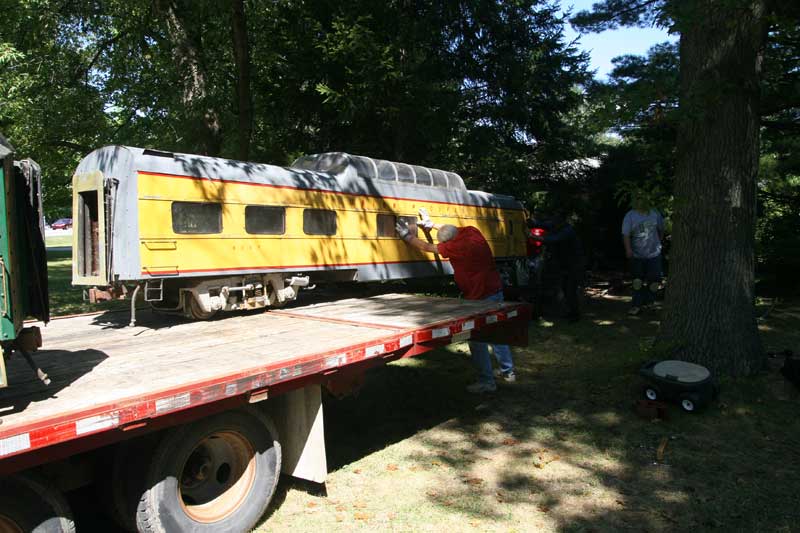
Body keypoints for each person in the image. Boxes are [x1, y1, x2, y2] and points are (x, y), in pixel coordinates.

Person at [396, 208, 514, 393]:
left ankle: (486, 382)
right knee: (497, 334)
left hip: (479, 297)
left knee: (477, 340)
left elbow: (428, 247)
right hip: (495, 289)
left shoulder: (455, 247)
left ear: (448, 242)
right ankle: (508, 372)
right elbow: (450, 229)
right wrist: (432, 224)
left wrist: (406, 236)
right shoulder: (472, 231)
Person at [529, 212, 584, 321]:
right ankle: (570, 312)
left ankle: (574, 314)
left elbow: (553, 239)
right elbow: (542, 224)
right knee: (564, 288)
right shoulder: (556, 225)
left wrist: (533, 236)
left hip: (573, 264)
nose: (553, 223)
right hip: (564, 263)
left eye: (555, 221)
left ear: (561, 221)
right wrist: (531, 222)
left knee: (570, 290)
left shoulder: (567, 231)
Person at [621, 192, 665, 315]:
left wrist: (659, 244)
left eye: (643, 198)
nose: (641, 201)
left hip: (654, 254)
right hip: (637, 255)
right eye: (638, 199)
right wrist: (628, 249)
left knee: (655, 281)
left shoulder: (655, 213)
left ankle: (650, 303)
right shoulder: (630, 215)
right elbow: (626, 235)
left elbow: (661, 229)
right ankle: (636, 305)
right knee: (637, 281)